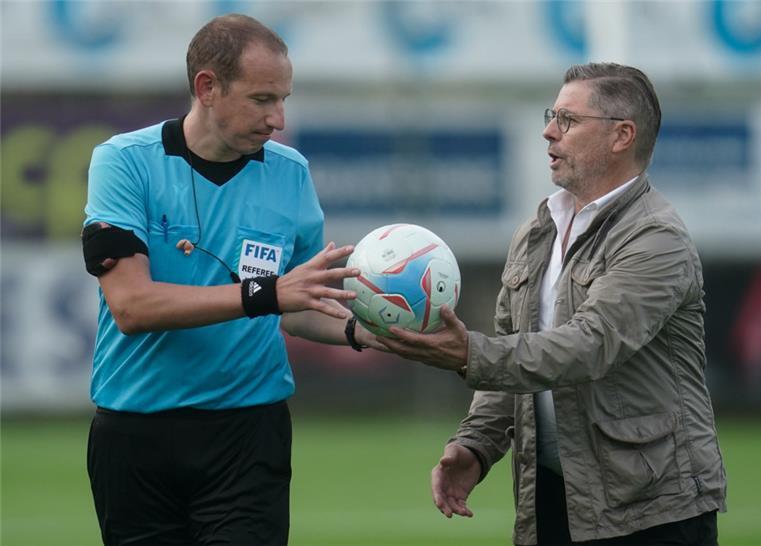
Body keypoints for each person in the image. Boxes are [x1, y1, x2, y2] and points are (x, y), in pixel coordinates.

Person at [379, 63, 728, 545]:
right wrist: (476, 445)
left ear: (621, 135)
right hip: (554, 495)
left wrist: (469, 355)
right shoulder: (540, 226)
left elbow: (588, 347)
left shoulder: (656, 237)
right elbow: (514, 347)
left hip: (652, 508)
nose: (548, 131)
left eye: (567, 119)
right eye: (551, 115)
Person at [81, 14, 379, 546]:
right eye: (263, 99)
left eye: (284, 99)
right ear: (207, 87)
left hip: (249, 433)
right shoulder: (124, 163)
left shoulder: (290, 174)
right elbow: (132, 306)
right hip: (135, 435)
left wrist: (370, 331)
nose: (279, 119)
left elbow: (299, 304)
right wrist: (267, 293)